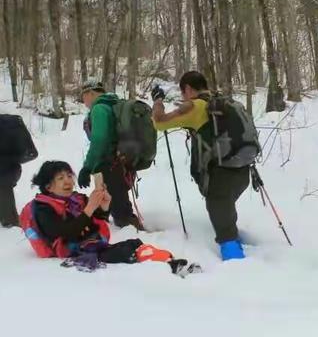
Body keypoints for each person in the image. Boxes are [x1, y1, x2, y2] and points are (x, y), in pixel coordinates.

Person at [20, 161, 200, 276]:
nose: (68, 181)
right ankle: (171, 267)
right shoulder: (42, 208)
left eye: (69, 176)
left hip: (91, 244)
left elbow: (95, 220)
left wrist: (104, 206)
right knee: (126, 251)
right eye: (60, 178)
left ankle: (170, 262)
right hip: (72, 252)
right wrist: (90, 208)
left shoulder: (76, 199)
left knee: (134, 244)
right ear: (48, 187)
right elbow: (65, 231)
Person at [151, 71, 251, 261]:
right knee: (225, 211)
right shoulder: (225, 102)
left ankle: (236, 264)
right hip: (243, 169)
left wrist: (158, 101)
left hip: (221, 173)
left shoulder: (196, 106)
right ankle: (235, 241)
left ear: (188, 89)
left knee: (222, 220)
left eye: (182, 93)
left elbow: (159, 123)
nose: (183, 97)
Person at [78, 81, 143, 230]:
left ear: (91, 93)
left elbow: (99, 140)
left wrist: (87, 167)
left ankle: (137, 238)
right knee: (118, 200)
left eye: (84, 97)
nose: (84, 101)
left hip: (110, 163)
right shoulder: (114, 104)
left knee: (121, 212)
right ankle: (129, 230)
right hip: (123, 161)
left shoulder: (99, 109)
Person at [0, 114, 38, 228]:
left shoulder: (8, 125)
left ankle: (11, 221)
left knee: (3, 186)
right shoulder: (9, 124)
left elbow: (31, 153)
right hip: (9, 170)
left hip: (6, 171)